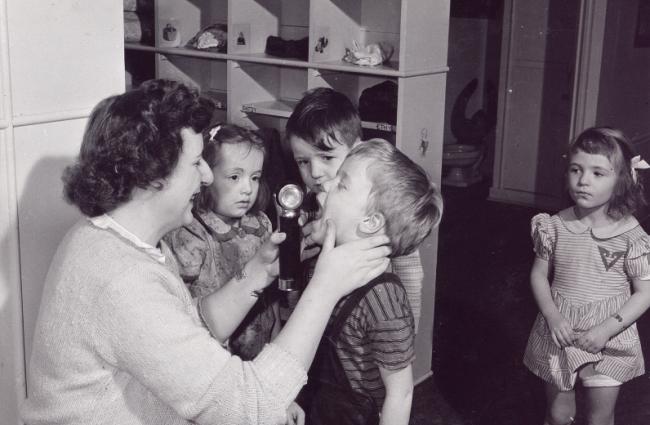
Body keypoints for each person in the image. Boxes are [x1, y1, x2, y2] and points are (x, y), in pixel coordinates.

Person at [20, 79, 391, 425]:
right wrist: (325, 288)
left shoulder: (107, 238)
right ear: (154, 175)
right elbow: (249, 407)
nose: (207, 177)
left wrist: (259, 270)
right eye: (196, 162)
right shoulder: (123, 281)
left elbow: (187, 328)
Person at [302, 138, 443, 425]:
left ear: (371, 222)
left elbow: (400, 393)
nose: (326, 185)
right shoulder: (323, 260)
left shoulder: (384, 298)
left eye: (341, 184)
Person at [523, 127, 650, 425]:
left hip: (610, 335)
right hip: (560, 331)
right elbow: (539, 275)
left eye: (598, 173)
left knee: (600, 418)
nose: (583, 181)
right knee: (558, 414)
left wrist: (607, 329)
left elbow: (645, 293)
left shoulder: (631, 235)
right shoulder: (553, 226)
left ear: (621, 180)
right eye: (576, 170)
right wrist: (552, 316)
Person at [284, 87, 425, 330]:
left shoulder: (381, 204)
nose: (315, 173)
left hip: (370, 325)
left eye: (326, 157)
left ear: (357, 149)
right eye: (303, 162)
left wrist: (406, 332)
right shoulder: (306, 204)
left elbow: (411, 273)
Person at [164, 123, 280, 360]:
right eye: (234, 177)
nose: (247, 189)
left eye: (255, 178)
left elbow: (270, 298)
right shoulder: (191, 233)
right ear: (206, 175)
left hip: (260, 350)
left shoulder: (261, 224)